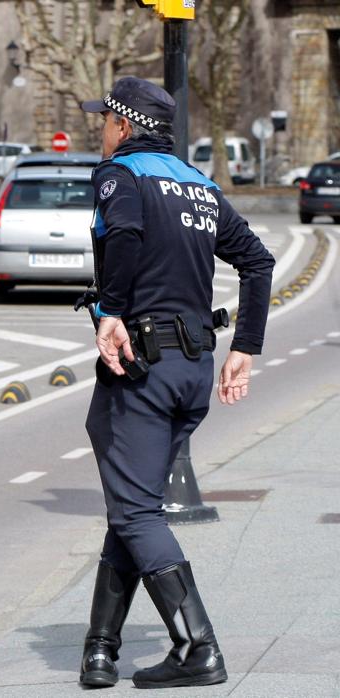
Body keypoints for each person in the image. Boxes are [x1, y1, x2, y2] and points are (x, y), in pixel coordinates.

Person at [76, 77, 275, 689]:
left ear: (125, 125)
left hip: (143, 365)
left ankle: (198, 649)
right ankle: (101, 649)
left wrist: (110, 312)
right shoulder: (202, 186)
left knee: (136, 511)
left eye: (104, 121)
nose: (99, 131)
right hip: (190, 370)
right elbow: (258, 261)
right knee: (130, 504)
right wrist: (245, 347)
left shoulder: (120, 175)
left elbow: (128, 237)